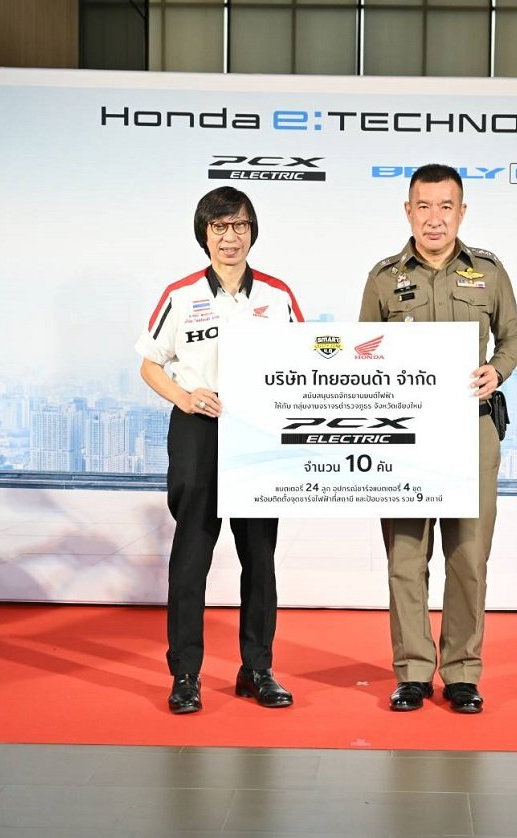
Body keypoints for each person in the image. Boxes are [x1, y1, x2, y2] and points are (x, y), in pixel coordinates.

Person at [358, 164, 517, 714]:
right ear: (408, 211)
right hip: (404, 437)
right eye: (424, 206)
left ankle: (461, 674)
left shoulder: (489, 272)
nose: (435, 218)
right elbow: (362, 353)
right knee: (406, 559)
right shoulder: (383, 278)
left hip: (471, 430)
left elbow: (513, 337)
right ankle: (411, 672)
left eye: (446, 206)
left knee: (469, 558)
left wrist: (497, 371)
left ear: (462, 211)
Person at [136, 186, 305, 714]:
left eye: (240, 226)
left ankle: (257, 669)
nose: (230, 237)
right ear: (204, 234)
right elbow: (149, 364)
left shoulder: (277, 295)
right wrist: (184, 397)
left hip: (258, 436)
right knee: (191, 559)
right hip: (198, 431)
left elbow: (304, 361)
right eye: (219, 227)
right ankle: (185, 674)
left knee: (260, 558)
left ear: (252, 232)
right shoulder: (181, 294)